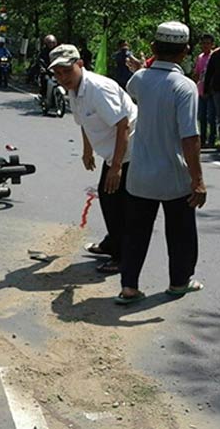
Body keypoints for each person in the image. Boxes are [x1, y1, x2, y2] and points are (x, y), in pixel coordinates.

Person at [117, 21, 207, 304]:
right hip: (173, 176)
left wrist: (145, 66)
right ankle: (179, 282)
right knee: (181, 232)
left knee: (135, 233)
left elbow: (138, 85)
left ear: (154, 48)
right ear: (186, 52)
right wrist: (199, 180)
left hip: (140, 174)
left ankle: (129, 287)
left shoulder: (139, 79)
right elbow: (189, 137)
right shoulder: (185, 87)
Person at [50, 44, 136, 274]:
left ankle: (121, 257)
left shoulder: (98, 89)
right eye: (57, 73)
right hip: (113, 151)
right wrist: (87, 151)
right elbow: (84, 122)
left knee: (115, 202)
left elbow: (123, 125)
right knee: (108, 198)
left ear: (80, 64)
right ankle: (112, 242)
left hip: (131, 150)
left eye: (67, 71)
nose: (62, 78)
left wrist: (116, 167)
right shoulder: (74, 89)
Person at [193, 34, 217, 148]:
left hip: (211, 91)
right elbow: (197, 74)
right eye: (203, 43)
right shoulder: (200, 57)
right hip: (200, 90)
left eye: (208, 43)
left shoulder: (214, 56)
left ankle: (212, 139)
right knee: (201, 117)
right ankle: (202, 139)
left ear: (212, 44)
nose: (205, 45)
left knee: (211, 116)